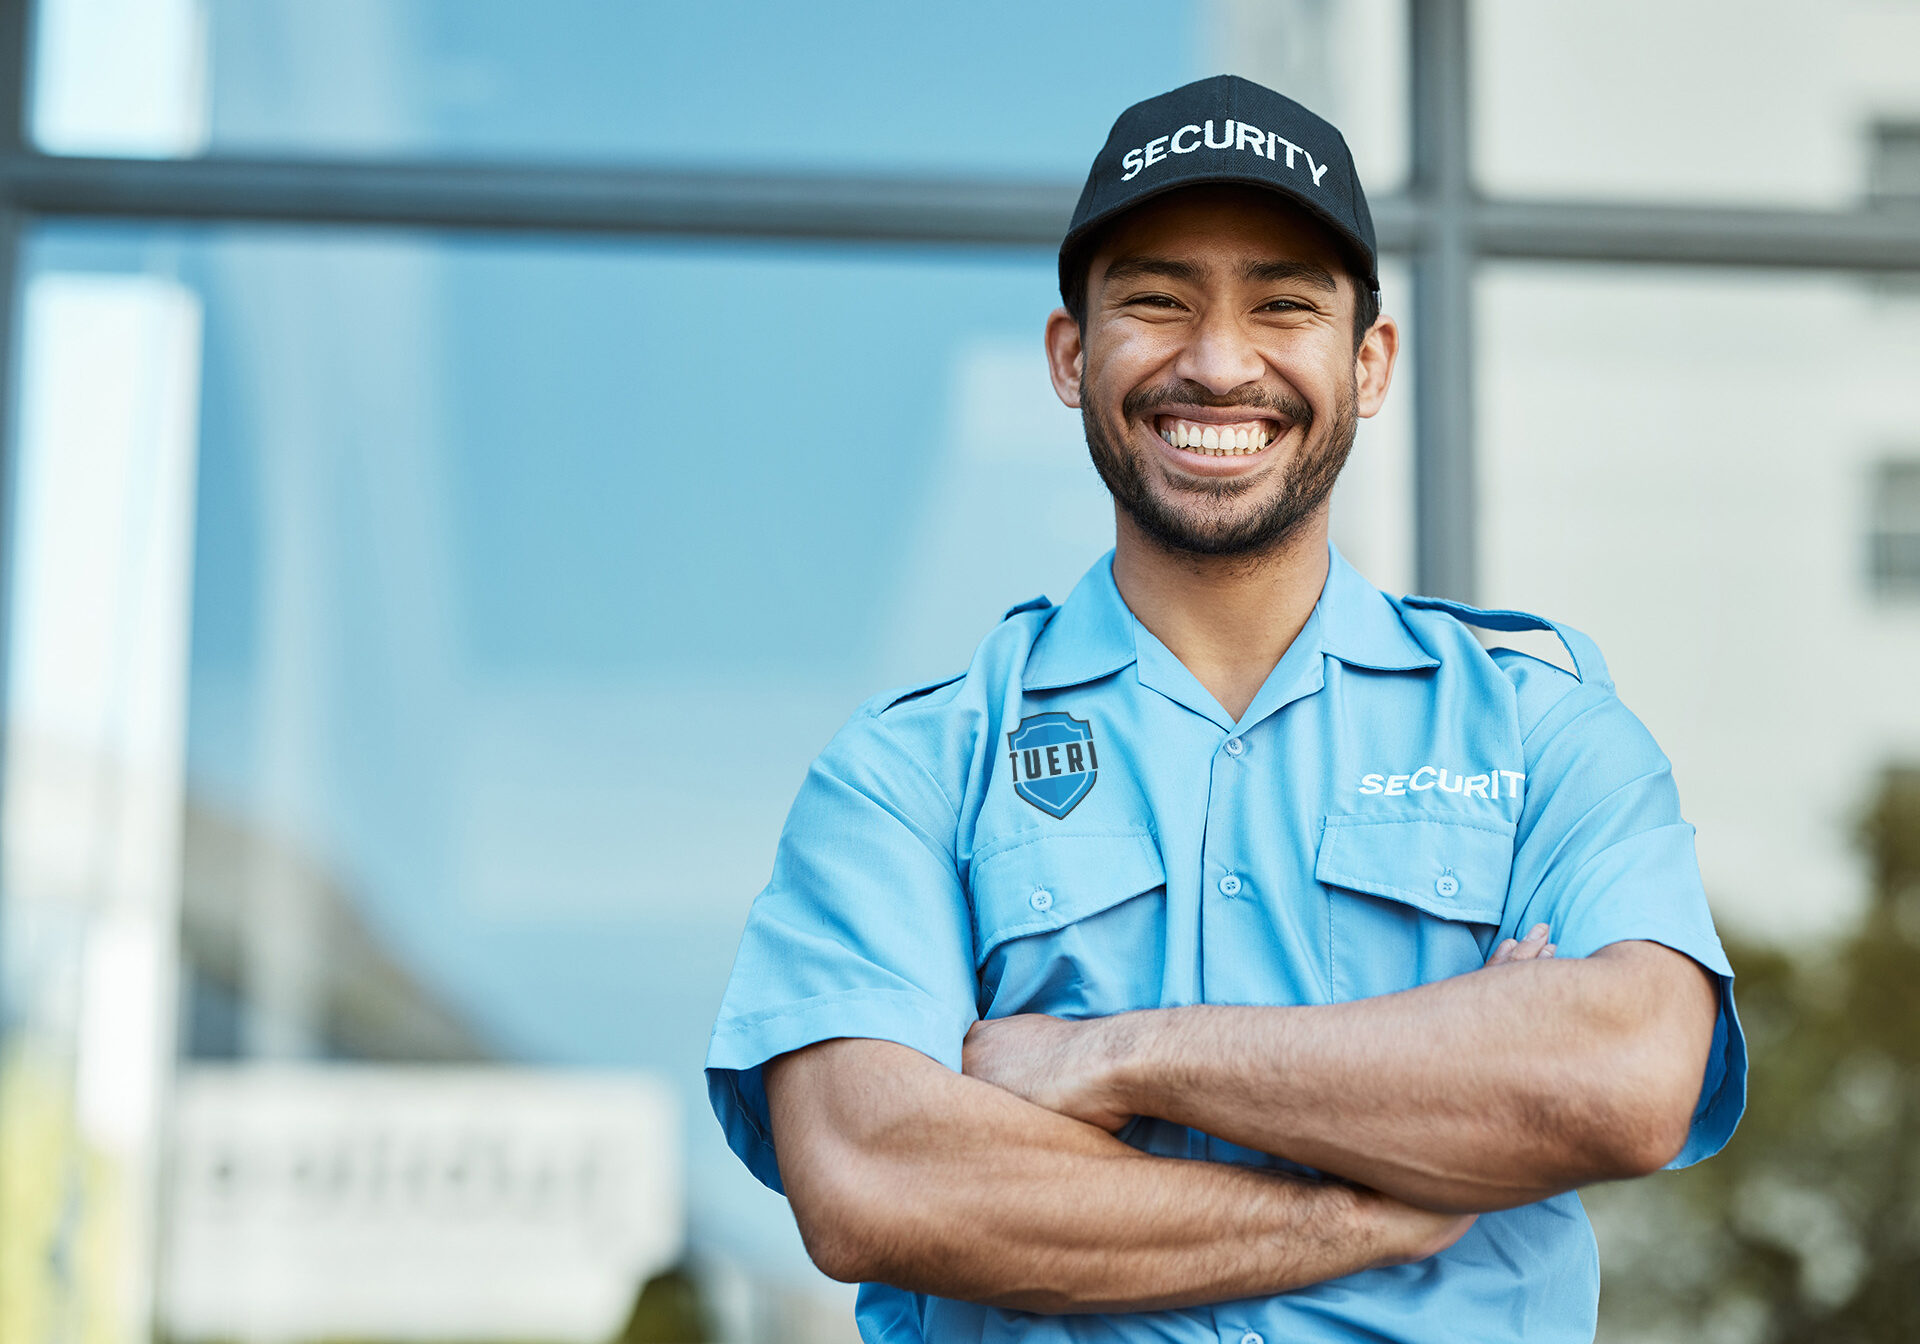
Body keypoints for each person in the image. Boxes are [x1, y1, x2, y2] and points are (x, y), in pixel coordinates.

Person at [705, 74, 1746, 1343]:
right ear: (1070, 354)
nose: (1216, 361)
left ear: (1369, 363)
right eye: (1155, 301)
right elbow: (877, 1175)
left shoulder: (1540, 735)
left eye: (1284, 305)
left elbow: (1622, 1079)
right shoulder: (912, 769)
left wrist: (1111, 1059)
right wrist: (1379, 1203)